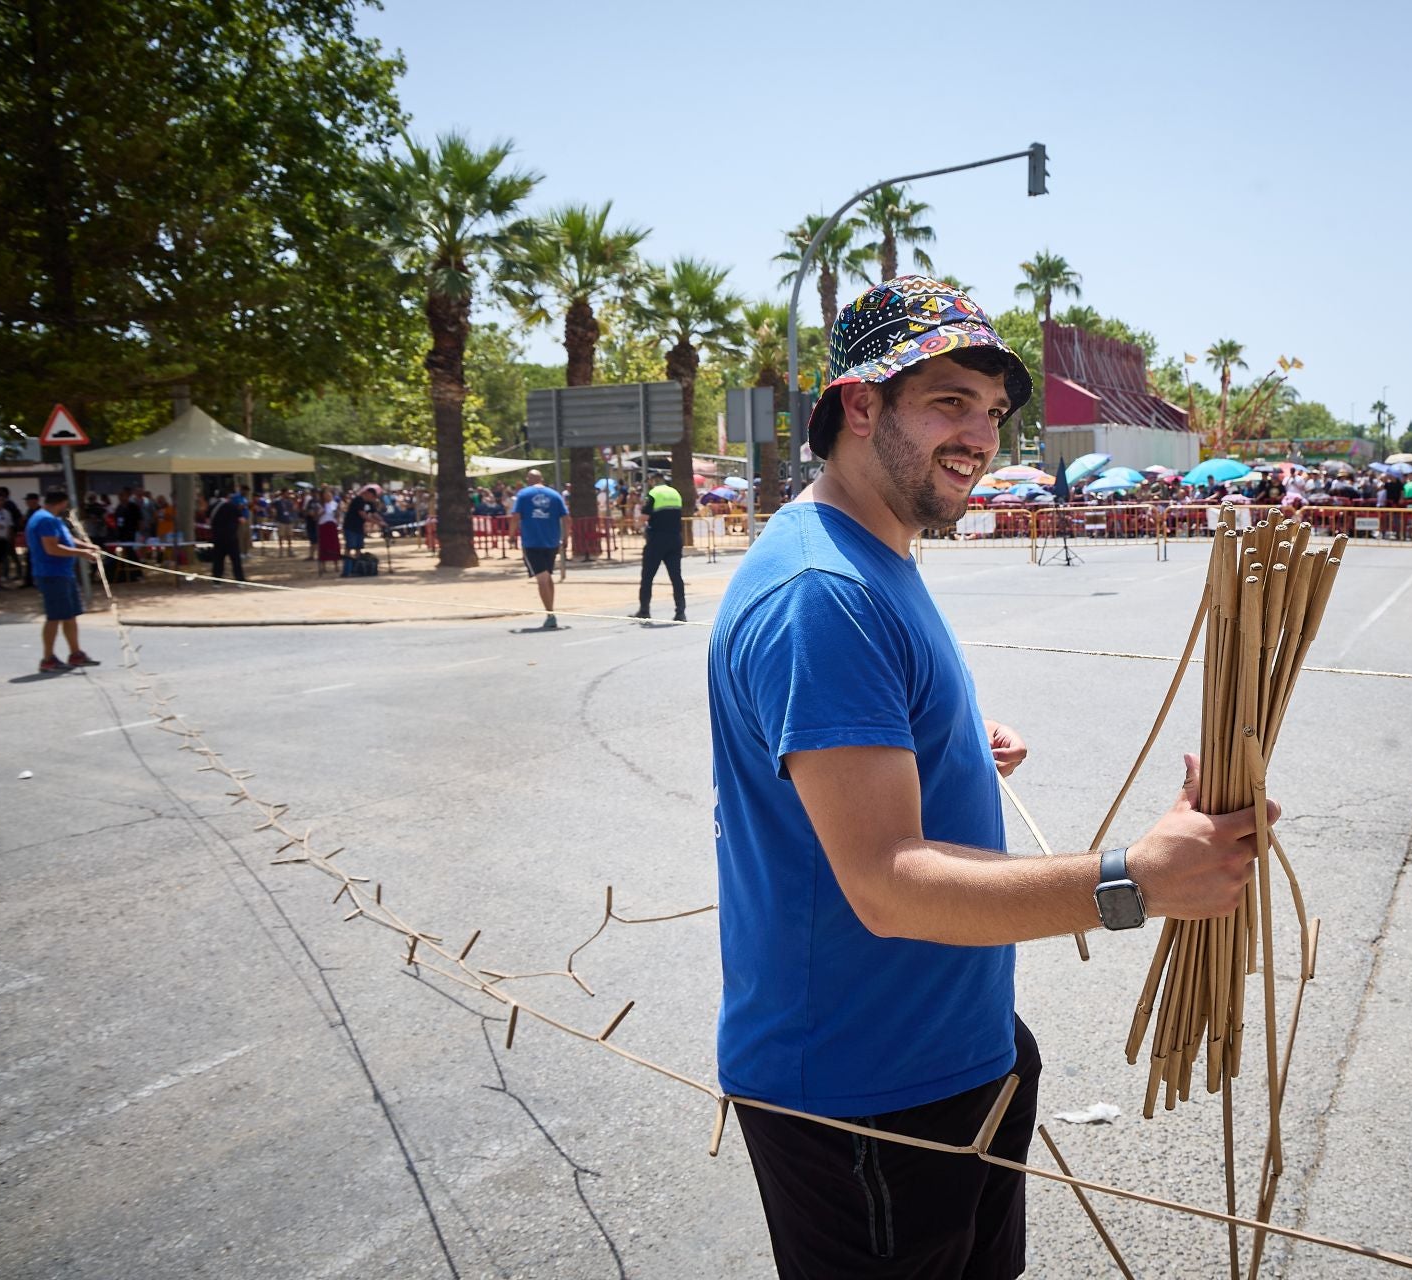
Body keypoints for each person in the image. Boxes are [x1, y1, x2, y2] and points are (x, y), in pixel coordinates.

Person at [705, 276, 1278, 1279]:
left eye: (995, 412)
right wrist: (1134, 880)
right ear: (859, 403)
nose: (982, 435)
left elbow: (852, 736)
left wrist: (951, 738)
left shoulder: (875, 553)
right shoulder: (820, 591)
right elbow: (886, 883)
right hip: (864, 1094)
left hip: (956, 1053)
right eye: (949, 401)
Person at [26, 490, 102, 672]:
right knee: (54, 617)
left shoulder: (52, 519)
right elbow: (52, 548)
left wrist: (87, 546)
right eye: (65, 504)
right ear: (60, 503)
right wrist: (82, 554)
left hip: (63, 573)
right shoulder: (45, 520)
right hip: (52, 574)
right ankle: (47, 658)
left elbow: (66, 539)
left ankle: (76, 654)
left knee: (69, 615)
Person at [509, 468, 568, 630]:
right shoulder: (555, 495)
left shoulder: (523, 495)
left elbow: (515, 516)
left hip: (532, 542)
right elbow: (566, 517)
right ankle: (551, 610)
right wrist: (566, 537)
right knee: (547, 577)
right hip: (551, 542)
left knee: (542, 579)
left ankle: (550, 614)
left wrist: (511, 535)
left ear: (529, 479)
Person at [635, 474, 685, 623]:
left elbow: (644, 517)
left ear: (653, 482)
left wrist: (637, 525)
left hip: (657, 540)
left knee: (647, 576)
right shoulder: (675, 493)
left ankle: (644, 610)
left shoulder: (654, 494)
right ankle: (680, 612)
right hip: (675, 539)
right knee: (676, 577)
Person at [208, 489, 247, 581]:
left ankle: (217, 580)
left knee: (218, 559)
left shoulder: (212, 506)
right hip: (231, 536)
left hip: (217, 536)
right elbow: (242, 520)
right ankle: (239, 579)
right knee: (235, 559)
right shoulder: (232, 506)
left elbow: (207, 520)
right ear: (228, 497)